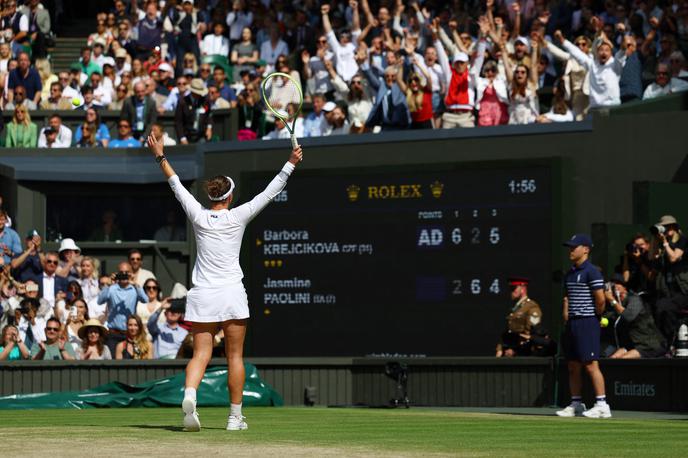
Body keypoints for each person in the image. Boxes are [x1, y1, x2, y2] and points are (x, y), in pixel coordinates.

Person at [147, 132, 302, 431]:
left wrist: (160, 155)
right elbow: (271, 191)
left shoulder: (198, 215)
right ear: (229, 196)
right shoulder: (238, 216)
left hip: (203, 295)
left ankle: (190, 396)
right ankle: (235, 417)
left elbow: (175, 183)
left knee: (200, 354)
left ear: (212, 196)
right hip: (231, 294)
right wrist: (291, 163)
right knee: (234, 356)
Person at [557, 234, 611, 419]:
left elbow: (601, 299)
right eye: (570, 247)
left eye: (574, 247)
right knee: (573, 365)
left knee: (590, 365)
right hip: (572, 322)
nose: (571, 250)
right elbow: (568, 298)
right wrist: (567, 315)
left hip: (587, 321)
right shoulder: (570, 272)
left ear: (586, 249)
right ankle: (576, 403)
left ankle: (602, 405)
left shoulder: (592, 271)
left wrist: (595, 316)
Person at [606, 275, 666, 359]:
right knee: (613, 358)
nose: (615, 286)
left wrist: (612, 300)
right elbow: (608, 317)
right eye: (612, 284)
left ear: (624, 287)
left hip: (648, 344)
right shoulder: (616, 304)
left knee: (623, 360)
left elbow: (628, 316)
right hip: (632, 345)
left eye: (618, 283)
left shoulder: (635, 299)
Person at [649, 215, 688, 342]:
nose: (665, 229)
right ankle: (664, 342)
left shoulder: (682, 240)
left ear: (674, 227)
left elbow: (673, 258)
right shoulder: (662, 243)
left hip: (683, 290)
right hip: (667, 290)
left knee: (665, 307)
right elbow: (651, 257)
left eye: (667, 227)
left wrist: (665, 243)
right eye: (663, 227)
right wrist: (655, 239)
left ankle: (670, 341)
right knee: (657, 308)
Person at [97, 261, 147, 354]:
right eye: (121, 272)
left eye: (127, 272)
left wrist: (135, 283)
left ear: (131, 273)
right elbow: (99, 301)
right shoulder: (112, 288)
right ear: (117, 273)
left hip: (130, 334)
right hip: (113, 334)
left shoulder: (134, 289)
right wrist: (108, 284)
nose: (124, 275)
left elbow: (145, 300)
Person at [495, 277, 550, 357]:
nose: (511, 292)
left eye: (514, 288)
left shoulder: (531, 307)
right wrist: (500, 349)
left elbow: (532, 334)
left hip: (524, 353)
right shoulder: (514, 308)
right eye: (510, 289)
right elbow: (508, 333)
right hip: (510, 351)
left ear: (523, 288)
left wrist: (515, 350)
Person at [175, 78, 212, 144]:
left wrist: (209, 128)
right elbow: (179, 121)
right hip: (187, 135)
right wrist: (182, 138)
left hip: (201, 135)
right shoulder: (182, 102)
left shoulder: (205, 101)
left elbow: (209, 114)